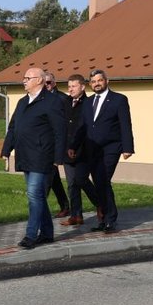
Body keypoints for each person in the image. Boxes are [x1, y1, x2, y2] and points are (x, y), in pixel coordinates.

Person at [0, 69, 66, 249]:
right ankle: (47, 233)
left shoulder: (52, 101)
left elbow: (60, 131)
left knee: (33, 195)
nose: (24, 81)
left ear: (39, 80)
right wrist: (7, 149)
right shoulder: (23, 102)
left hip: (42, 155)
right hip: (25, 155)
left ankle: (31, 234)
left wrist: (58, 157)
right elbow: (13, 127)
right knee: (38, 196)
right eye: (24, 78)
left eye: (28, 78)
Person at [83, 68, 134, 233]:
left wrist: (128, 148)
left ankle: (110, 219)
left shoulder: (119, 100)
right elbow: (83, 126)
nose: (96, 84)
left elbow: (125, 124)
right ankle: (103, 219)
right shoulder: (87, 102)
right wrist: (73, 146)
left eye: (99, 80)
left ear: (106, 81)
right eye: (93, 82)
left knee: (103, 180)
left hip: (111, 147)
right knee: (99, 182)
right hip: (92, 148)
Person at [60, 73, 99, 227]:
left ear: (82, 87)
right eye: (69, 86)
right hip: (67, 149)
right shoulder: (65, 102)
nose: (70, 89)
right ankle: (76, 215)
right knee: (71, 184)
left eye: (74, 86)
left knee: (81, 180)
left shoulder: (89, 103)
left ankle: (100, 204)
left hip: (83, 149)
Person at [42, 72, 70, 216]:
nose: (46, 85)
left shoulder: (62, 99)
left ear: (54, 83)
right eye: (44, 83)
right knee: (54, 179)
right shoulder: (40, 99)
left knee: (48, 179)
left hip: (59, 145)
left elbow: (66, 123)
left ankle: (39, 210)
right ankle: (65, 206)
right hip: (45, 145)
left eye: (48, 82)